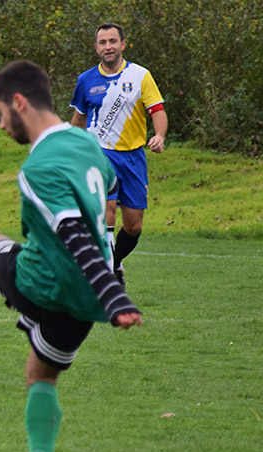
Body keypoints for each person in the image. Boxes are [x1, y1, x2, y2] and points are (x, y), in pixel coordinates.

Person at [0, 60, 143, 452]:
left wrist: (116, 297)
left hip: (46, 282)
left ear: (19, 103)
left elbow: (73, 234)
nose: (0, 125)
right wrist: (109, 290)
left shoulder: (37, 170)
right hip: (84, 301)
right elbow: (103, 200)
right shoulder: (89, 146)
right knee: (41, 374)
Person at [70, 23, 168, 284]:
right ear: (96, 48)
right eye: (102, 42)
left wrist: (159, 136)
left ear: (123, 45)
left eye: (113, 41)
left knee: (134, 226)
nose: (108, 47)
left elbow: (157, 110)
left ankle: (114, 262)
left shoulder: (140, 76)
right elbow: (78, 119)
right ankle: (105, 274)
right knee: (107, 211)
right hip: (99, 154)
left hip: (133, 157)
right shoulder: (86, 80)